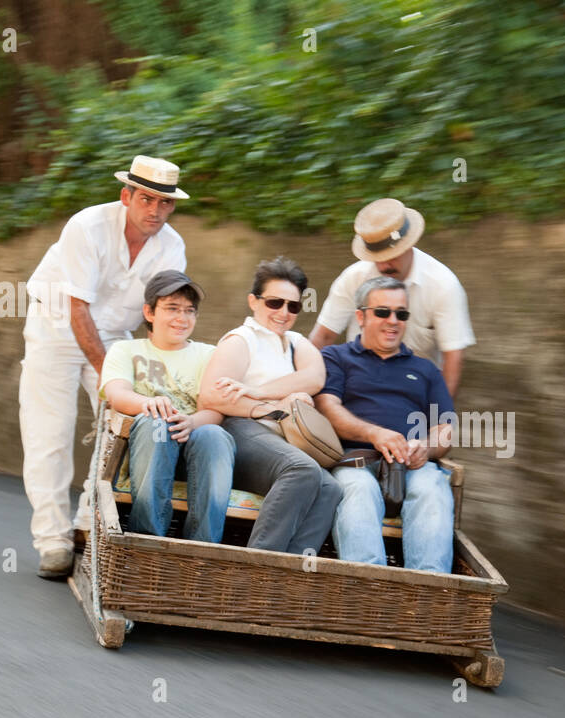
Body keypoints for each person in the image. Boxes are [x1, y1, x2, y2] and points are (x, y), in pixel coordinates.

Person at [19, 155, 189, 577]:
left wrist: (156, 374)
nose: (155, 211)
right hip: (57, 323)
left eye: (165, 203)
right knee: (49, 433)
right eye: (147, 199)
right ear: (126, 196)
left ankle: (84, 527)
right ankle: (53, 541)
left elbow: (162, 314)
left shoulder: (173, 246)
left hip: (116, 336)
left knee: (122, 430)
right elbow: (79, 310)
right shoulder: (87, 226)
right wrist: (109, 378)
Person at [197, 257, 342, 555]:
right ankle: (257, 566)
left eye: (293, 306)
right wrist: (274, 405)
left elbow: (314, 377)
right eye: (275, 303)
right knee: (301, 470)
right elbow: (210, 397)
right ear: (254, 301)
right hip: (243, 432)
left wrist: (256, 390)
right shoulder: (241, 340)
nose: (284, 313)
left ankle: (291, 574)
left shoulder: (295, 342)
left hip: (282, 438)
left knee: (331, 488)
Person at [314, 276, 455, 572]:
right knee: (358, 490)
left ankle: (428, 596)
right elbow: (328, 407)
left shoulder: (425, 369)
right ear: (361, 317)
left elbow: (445, 430)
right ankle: (368, 592)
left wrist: (425, 448)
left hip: (411, 465)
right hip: (354, 461)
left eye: (401, 313)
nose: (393, 321)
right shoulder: (336, 357)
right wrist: (374, 433)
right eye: (382, 312)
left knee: (432, 485)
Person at [99, 272, 234, 543]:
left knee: (215, 434)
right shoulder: (125, 350)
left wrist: (192, 422)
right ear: (149, 312)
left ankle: (202, 549)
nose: (182, 319)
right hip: (147, 451)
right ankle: (148, 543)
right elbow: (116, 394)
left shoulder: (208, 355)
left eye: (189, 311)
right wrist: (147, 403)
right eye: (172, 309)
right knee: (156, 422)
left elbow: (215, 409)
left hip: (193, 451)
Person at [309, 198, 475, 396]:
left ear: (409, 244)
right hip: (356, 383)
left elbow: (453, 357)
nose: (384, 265)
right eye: (377, 258)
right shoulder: (353, 278)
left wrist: (440, 416)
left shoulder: (444, 285)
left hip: (414, 391)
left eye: (392, 255)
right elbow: (324, 336)